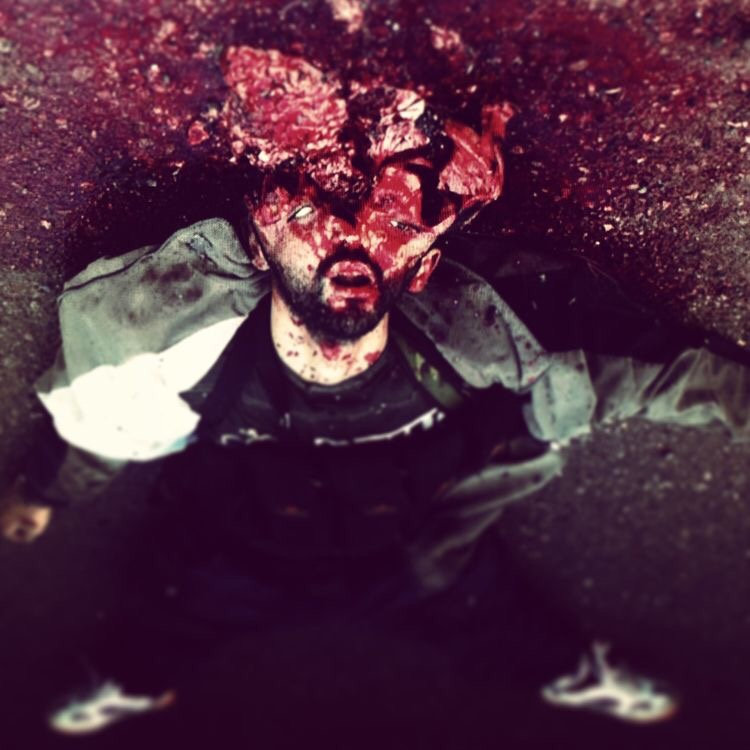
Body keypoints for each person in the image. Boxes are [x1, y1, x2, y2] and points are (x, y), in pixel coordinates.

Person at [2, 45, 749, 735]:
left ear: (423, 268)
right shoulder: (175, 352)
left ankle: (575, 674)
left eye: (393, 219)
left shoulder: (502, 339)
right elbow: (107, 419)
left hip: (417, 554)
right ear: (256, 244)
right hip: (234, 549)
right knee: (177, 615)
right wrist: (44, 490)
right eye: (309, 211)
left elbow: (661, 378)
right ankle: (131, 680)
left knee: (492, 621)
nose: (350, 237)